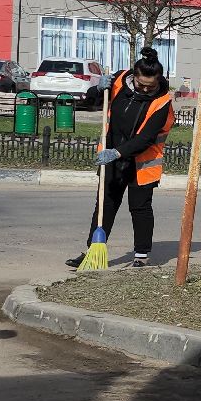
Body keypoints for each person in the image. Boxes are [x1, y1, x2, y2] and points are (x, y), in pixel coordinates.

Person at [67, 48, 174, 269]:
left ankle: (142, 255)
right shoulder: (117, 81)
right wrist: (97, 89)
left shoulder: (162, 102)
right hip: (112, 160)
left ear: (159, 81)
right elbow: (92, 101)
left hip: (142, 162)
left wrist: (117, 152)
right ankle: (93, 250)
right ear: (133, 76)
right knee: (105, 204)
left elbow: (147, 138)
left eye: (150, 86)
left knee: (140, 207)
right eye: (141, 83)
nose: (145, 89)